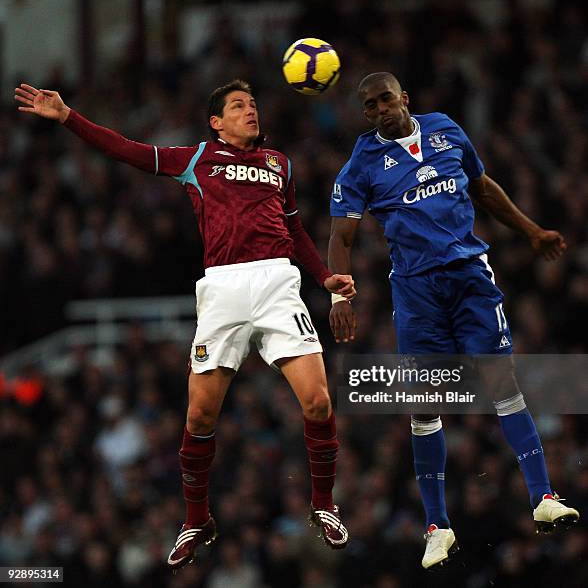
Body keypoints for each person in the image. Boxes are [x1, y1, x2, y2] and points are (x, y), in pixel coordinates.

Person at [15, 80, 353, 570]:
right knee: (199, 419)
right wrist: (69, 117)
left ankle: (324, 505)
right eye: (238, 106)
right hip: (221, 291)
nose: (249, 111)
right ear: (216, 122)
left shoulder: (280, 164)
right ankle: (197, 519)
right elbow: (127, 151)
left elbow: (295, 226)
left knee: (318, 400)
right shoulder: (196, 159)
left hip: (279, 283)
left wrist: (324, 278)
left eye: (253, 104)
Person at [327, 72, 579, 570]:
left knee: (501, 381)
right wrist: (340, 296)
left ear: (405, 98)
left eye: (386, 99)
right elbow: (342, 237)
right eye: (370, 106)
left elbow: (483, 189)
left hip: (469, 276)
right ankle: (438, 527)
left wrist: (531, 231)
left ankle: (544, 498)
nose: (380, 110)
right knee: (425, 406)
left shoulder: (445, 128)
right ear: (365, 114)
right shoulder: (360, 165)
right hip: (417, 291)